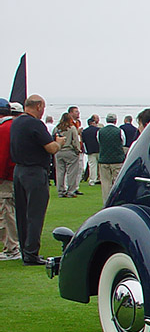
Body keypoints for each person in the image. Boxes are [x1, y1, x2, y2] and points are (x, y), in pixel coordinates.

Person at [10, 95, 61, 264]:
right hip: (34, 171)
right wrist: (59, 142)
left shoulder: (16, 122)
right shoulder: (35, 124)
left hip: (19, 170)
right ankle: (32, 253)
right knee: (35, 214)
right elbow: (51, 148)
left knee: (22, 213)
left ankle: (25, 251)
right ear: (39, 106)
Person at [0, 100, 20, 260]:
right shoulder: (15, 126)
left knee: (7, 212)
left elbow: (3, 155)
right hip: (16, 173)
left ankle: (11, 248)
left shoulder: (5, 129)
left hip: (6, 176)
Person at [97, 113, 127, 203]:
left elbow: (99, 142)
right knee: (117, 182)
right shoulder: (120, 131)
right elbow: (123, 143)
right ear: (115, 120)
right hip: (117, 159)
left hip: (104, 159)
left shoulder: (100, 131)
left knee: (105, 183)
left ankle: (106, 201)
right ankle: (116, 200)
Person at [53, 112, 83, 197]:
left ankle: (60, 191)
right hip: (69, 151)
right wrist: (78, 150)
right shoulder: (72, 128)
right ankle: (71, 191)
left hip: (59, 151)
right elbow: (75, 140)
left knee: (60, 172)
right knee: (72, 172)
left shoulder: (57, 128)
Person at [81, 114, 101, 185]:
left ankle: (92, 180)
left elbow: (83, 142)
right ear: (93, 123)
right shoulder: (98, 130)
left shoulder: (84, 132)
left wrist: (86, 150)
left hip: (90, 150)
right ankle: (99, 178)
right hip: (99, 149)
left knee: (92, 166)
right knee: (100, 166)